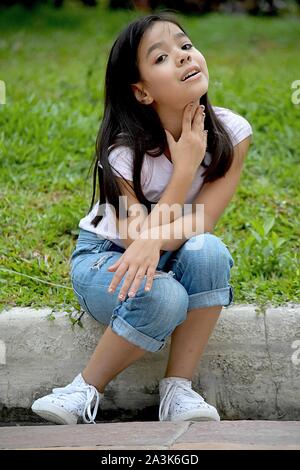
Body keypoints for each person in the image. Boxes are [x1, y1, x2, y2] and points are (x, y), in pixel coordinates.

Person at [31, 12, 252, 425]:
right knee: (163, 294)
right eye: (163, 57)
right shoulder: (123, 154)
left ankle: (178, 392)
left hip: (166, 252)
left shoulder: (233, 135)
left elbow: (201, 224)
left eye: (185, 46)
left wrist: (154, 241)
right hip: (107, 259)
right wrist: (183, 169)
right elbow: (135, 242)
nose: (185, 57)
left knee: (210, 252)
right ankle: (82, 390)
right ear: (142, 91)